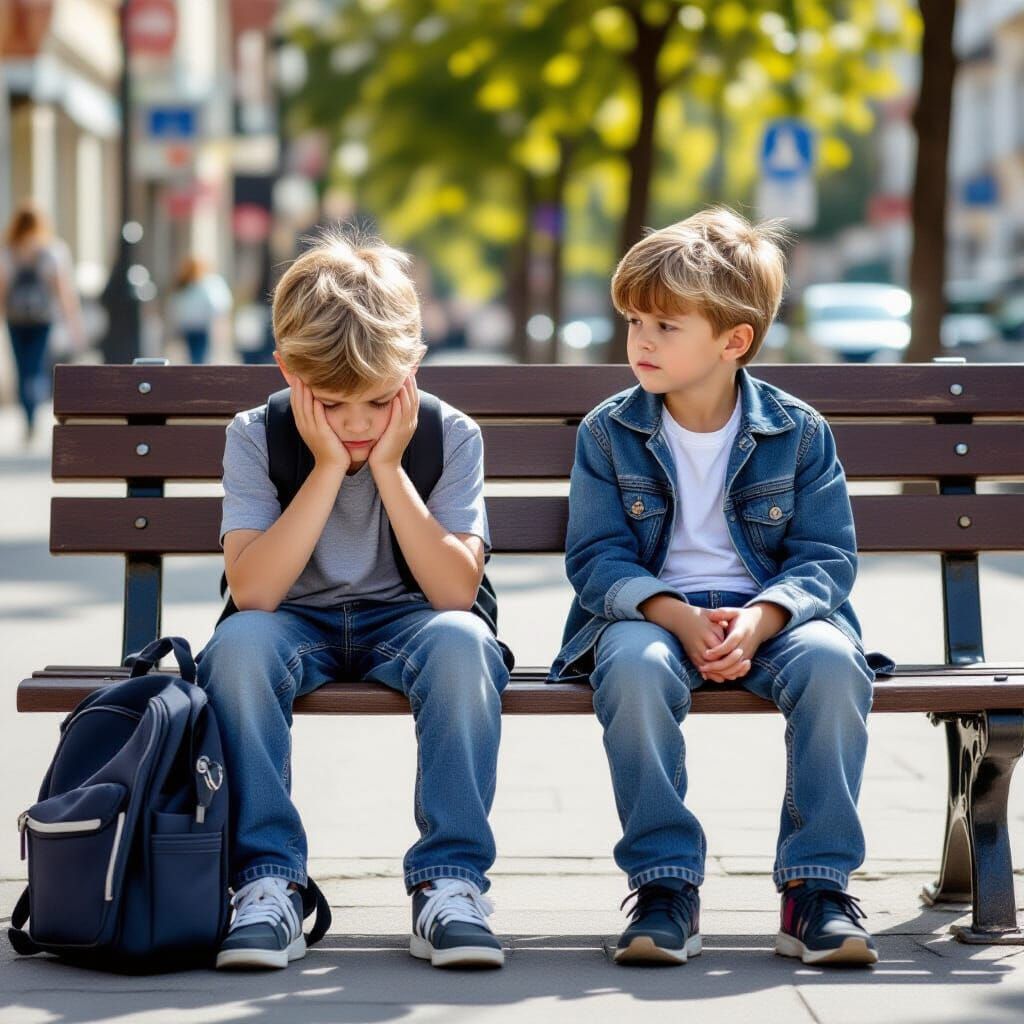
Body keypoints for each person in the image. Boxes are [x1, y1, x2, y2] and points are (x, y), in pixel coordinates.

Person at [550, 207, 895, 968]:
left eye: (666, 326)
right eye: (635, 321)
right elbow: (598, 558)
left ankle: (816, 888)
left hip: (772, 618)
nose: (640, 340)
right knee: (635, 670)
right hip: (647, 616)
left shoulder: (799, 432)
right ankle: (665, 883)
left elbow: (826, 559)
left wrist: (766, 616)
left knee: (835, 666)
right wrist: (672, 613)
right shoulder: (609, 433)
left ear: (733, 341)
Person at [197, 228, 511, 971]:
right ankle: (267, 882)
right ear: (289, 372)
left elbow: (453, 593)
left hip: (411, 619)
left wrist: (393, 469)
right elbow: (255, 591)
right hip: (290, 623)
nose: (362, 424)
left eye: (378, 400)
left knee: (466, 649)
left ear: (413, 366)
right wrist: (327, 467)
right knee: (235, 652)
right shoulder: (255, 435)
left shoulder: (449, 436)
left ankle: (450, 882)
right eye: (335, 405)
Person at [0, 201, 86, 441]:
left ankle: (28, 416)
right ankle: (34, 409)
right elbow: (64, 292)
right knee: (37, 368)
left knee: (22, 368)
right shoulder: (52, 251)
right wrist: (74, 324)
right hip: (42, 319)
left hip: (16, 320)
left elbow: (2, 289)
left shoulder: (9, 251)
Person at [169, 256, 232, 364]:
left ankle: (196, 376)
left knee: (197, 355)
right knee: (199, 356)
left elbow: (175, 305)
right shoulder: (202, 284)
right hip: (196, 325)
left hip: (196, 325)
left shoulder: (203, 283)